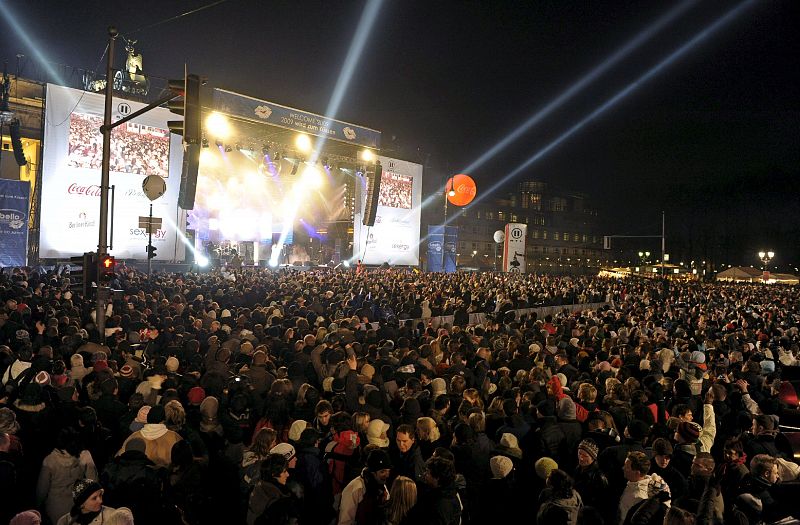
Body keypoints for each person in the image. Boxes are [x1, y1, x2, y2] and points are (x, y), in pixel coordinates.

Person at [36, 428, 98, 525]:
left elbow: (42, 489)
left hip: (55, 508)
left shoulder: (49, 461)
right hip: (78, 506)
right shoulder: (85, 456)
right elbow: (93, 482)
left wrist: (37, 506)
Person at [338, 448, 392, 525]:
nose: (387, 475)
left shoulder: (382, 487)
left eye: (388, 471)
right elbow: (345, 521)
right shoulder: (355, 488)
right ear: (372, 472)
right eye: (382, 472)